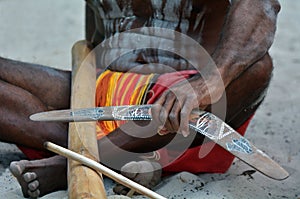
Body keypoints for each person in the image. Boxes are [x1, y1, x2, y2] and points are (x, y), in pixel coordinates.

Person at [0, 0, 280, 198]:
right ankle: (110, 155)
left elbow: (261, 5)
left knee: (258, 69)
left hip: (186, 100)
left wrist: (208, 82)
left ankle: (77, 161)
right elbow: (98, 38)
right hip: (108, 89)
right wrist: (88, 87)